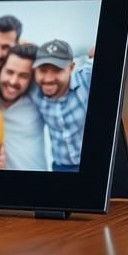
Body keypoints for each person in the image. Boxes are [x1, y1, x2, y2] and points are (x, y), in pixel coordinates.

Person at [30, 39, 92, 172]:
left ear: (71, 67)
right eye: (43, 70)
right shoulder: (34, 92)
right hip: (59, 168)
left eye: (57, 70)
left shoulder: (87, 79)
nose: (48, 78)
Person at [0, 44, 49, 171]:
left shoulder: (39, 101)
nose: (13, 81)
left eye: (23, 76)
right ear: (0, 70)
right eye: (9, 72)